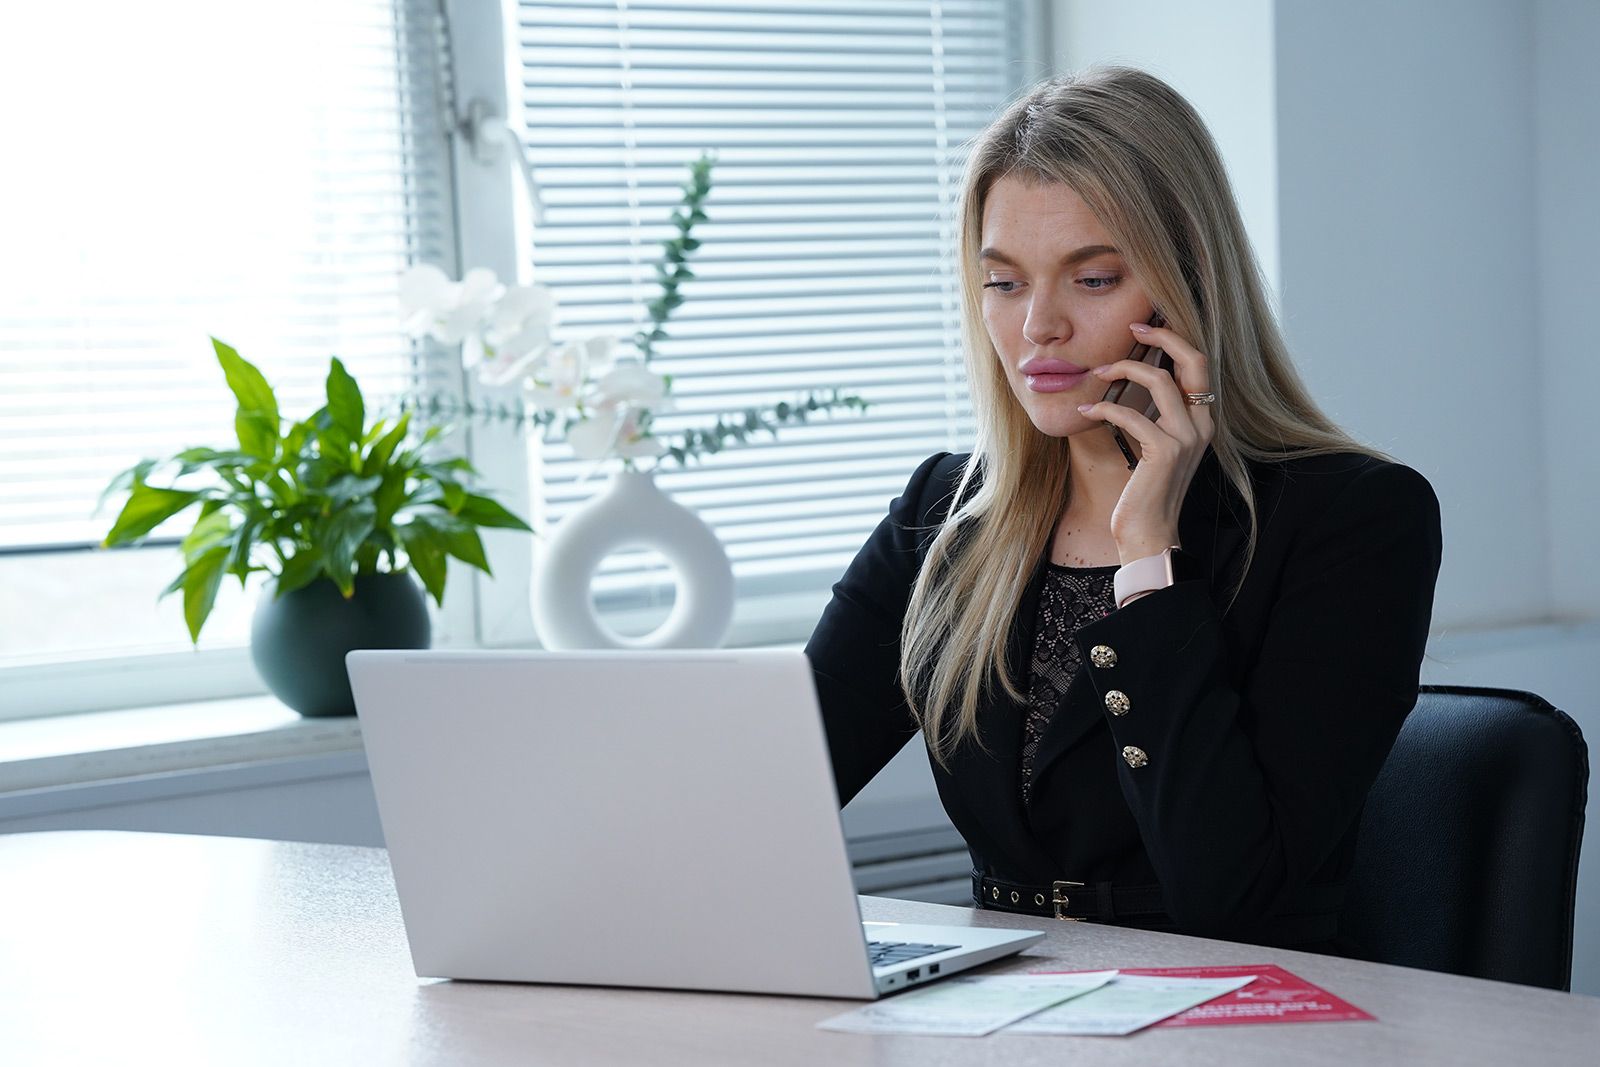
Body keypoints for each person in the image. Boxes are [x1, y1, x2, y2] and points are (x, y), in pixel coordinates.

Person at [805, 66, 1442, 955]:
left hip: (1235, 1016)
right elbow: (768, 795)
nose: (1038, 328)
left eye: (1093, 278)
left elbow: (1235, 898)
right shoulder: (943, 515)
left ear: (1189, 288)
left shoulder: (1354, 522)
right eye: (1004, 282)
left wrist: (1148, 552)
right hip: (996, 1018)